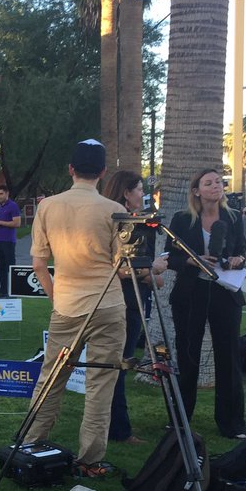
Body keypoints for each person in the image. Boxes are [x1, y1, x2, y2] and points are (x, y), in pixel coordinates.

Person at [22, 140, 127, 476]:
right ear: (102, 172)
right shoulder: (113, 209)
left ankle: (31, 441)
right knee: (101, 383)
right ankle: (90, 459)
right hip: (108, 304)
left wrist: (56, 298)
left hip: (67, 304)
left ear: (71, 169)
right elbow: (121, 266)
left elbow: (39, 264)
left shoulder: (48, 206)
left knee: (51, 377)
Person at [166, 168, 246, 439]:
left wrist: (237, 260)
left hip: (225, 292)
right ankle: (181, 420)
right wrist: (190, 260)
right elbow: (169, 257)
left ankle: (232, 423)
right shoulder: (182, 220)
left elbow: (242, 253)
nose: (216, 186)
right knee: (188, 354)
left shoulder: (234, 218)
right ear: (196, 191)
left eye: (219, 182)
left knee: (229, 355)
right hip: (191, 292)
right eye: (209, 182)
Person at [103, 170, 167, 445]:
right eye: (139, 189)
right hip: (125, 303)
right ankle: (119, 429)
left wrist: (151, 275)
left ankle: (114, 426)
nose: (143, 194)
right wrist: (150, 271)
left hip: (136, 299)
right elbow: (118, 267)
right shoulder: (120, 224)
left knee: (119, 365)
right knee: (119, 364)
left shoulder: (137, 223)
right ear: (126, 193)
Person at [0, 185, 22, 298]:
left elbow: (17, 223)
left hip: (9, 241)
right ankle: (3, 291)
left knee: (11, 267)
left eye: (1, 194)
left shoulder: (13, 206)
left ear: (7, 194)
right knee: (1, 267)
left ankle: (14, 292)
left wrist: (0, 222)